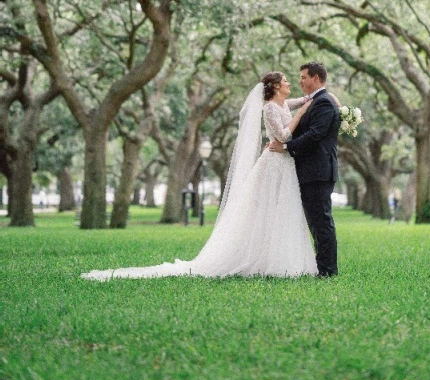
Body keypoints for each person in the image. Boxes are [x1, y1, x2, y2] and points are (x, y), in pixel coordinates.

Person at [81, 72, 317, 280]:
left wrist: (314, 99)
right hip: (274, 163)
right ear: (276, 86)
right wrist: (303, 112)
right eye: (286, 81)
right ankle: (264, 260)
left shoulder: (284, 104)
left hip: (284, 164)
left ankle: (281, 259)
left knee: (281, 210)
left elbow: (304, 100)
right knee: (267, 210)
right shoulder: (269, 108)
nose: (290, 83)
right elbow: (284, 136)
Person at [269, 62, 341, 277]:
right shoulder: (315, 101)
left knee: (322, 222)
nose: (299, 81)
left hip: (318, 171)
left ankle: (328, 271)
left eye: (303, 77)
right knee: (316, 222)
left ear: (316, 78)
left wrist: (286, 147)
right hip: (309, 170)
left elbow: (315, 134)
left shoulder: (323, 103)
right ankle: (322, 267)